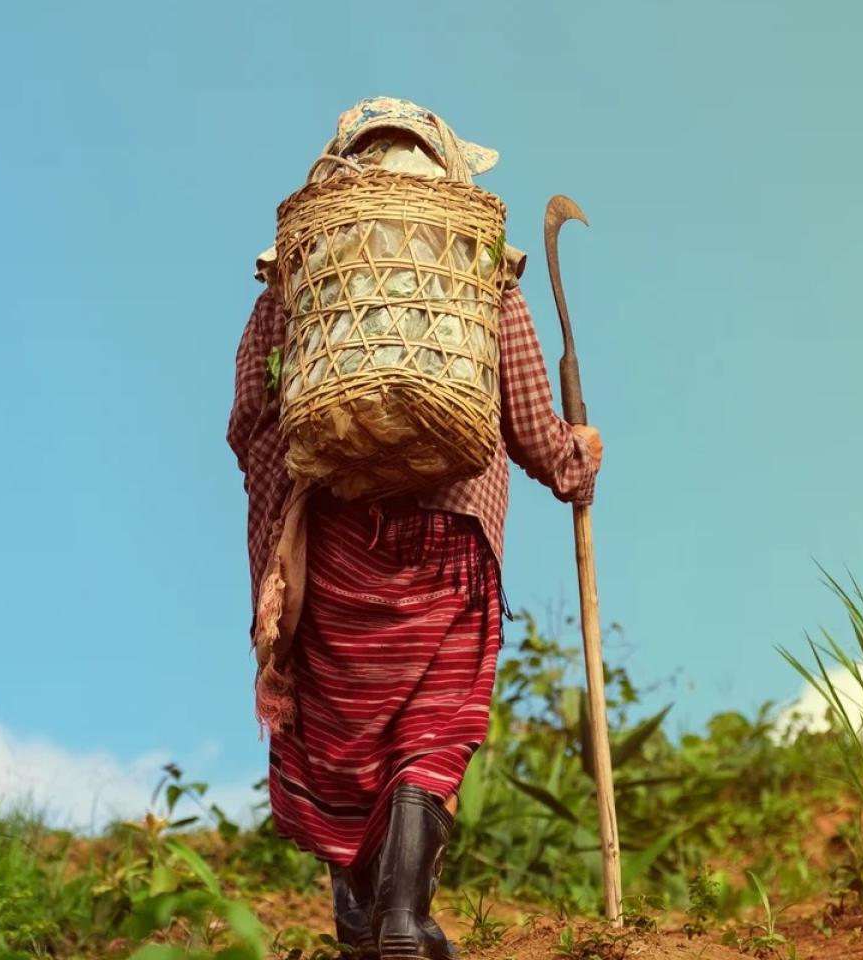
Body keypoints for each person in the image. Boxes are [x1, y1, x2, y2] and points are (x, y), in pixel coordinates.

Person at [228, 97, 604, 960]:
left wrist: (277, 563)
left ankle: (363, 914)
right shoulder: (480, 282)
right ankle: (404, 915)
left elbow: (251, 416)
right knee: (431, 723)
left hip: (333, 547)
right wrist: (579, 459)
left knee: (340, 727)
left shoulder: (298, 279)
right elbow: (536, 433)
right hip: (449, 549)